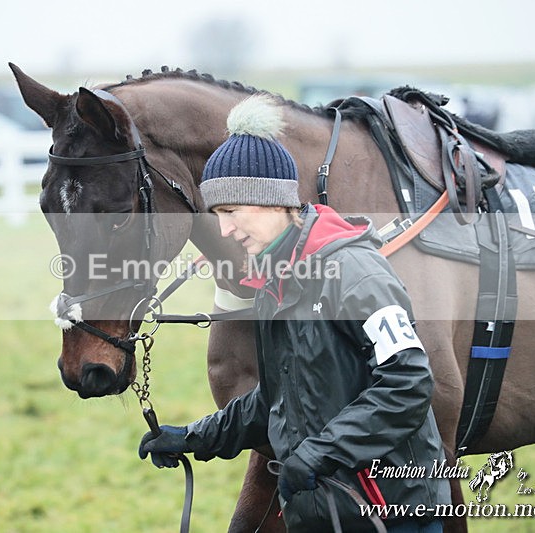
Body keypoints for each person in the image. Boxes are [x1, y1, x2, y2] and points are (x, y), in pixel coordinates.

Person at [138, 95, 451, 532]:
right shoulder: (272, 282)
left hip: (391, 514)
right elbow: (276, 397)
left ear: (273, 201)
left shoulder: (354, 271)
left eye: (230, 212)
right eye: (217, 215)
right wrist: (192, 437)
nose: (224, 229)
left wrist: (322, 452)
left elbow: (409, 383)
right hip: (322, 513)